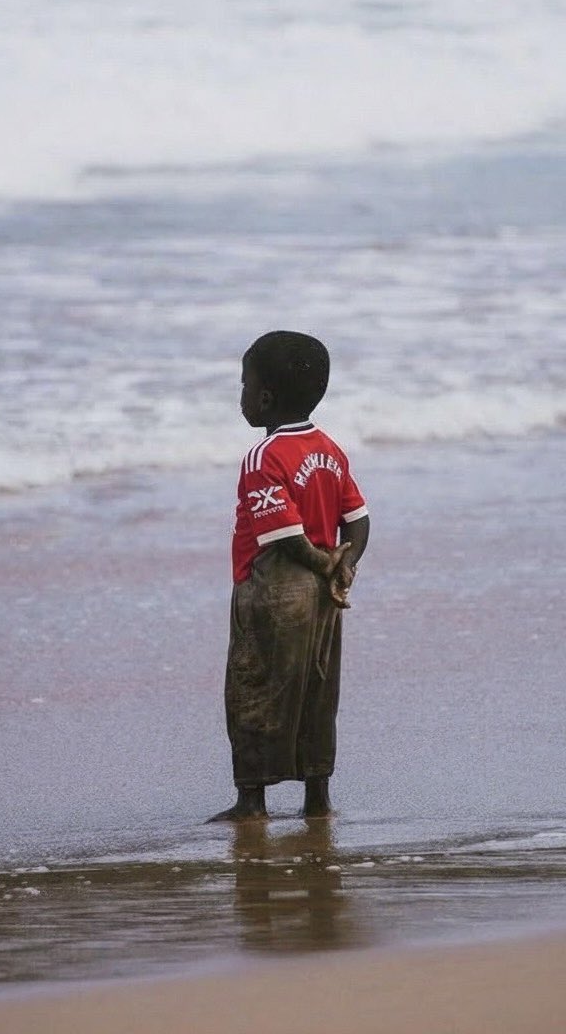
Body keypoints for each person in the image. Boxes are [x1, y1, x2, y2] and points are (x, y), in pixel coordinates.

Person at [209, 330, 370, 822]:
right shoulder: (329, 449)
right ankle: (316, 797)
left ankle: (251, 801)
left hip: (276, 588)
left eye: (244, 386)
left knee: (256, 687)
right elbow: (358, 520)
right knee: (317, 690)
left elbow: (281, 534)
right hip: (325, 594)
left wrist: (320, 561)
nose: (241, 397)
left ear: (264, 397)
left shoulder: (264, 456)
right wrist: (345, 563)